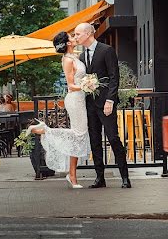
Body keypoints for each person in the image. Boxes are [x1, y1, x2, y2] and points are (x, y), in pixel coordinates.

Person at [26, 31, 90, 189]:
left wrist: (86, 84)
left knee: (78, 136)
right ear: (68, 43)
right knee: (78, 135)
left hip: (81, 99)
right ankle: (43, 131)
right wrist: (87, 86)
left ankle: (72, 174)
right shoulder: (67, 60)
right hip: (75, 99)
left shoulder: (75, 56)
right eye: (71, 37)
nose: (74, 38)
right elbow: (70, 86)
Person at [74, 22, 130, 189]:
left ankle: (125, 177)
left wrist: (110, 100)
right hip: (90, 104)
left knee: (113, 138)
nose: (76, 37)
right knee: (95, 141)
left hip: (106, 103)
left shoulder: (107, 50)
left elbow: (114, 77)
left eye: (78, 34)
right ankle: (100, 178)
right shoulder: (82, 57)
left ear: (88, 34)